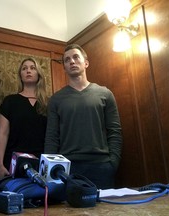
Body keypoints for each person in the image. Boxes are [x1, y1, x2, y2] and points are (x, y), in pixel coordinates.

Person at [44, 44, 122, 189]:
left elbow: (114, 131)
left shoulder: (105, 94)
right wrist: (51, 170)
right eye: (67, 60)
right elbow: (52, 137)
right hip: (68, 168)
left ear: (86, 62)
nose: (71, 61)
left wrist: (113, 164)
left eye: (75, 57)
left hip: (102, 167)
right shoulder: (56, 99)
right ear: (64, 67)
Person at [0, 57, 49, 180]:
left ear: (39, 74)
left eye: (32, 68)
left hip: (42, 162)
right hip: (14, 161)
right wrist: (0, 164)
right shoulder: (10, 101)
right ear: (20, 75)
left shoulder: (48, 103)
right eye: (24, 68)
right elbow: (3, 133)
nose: (28, 71)